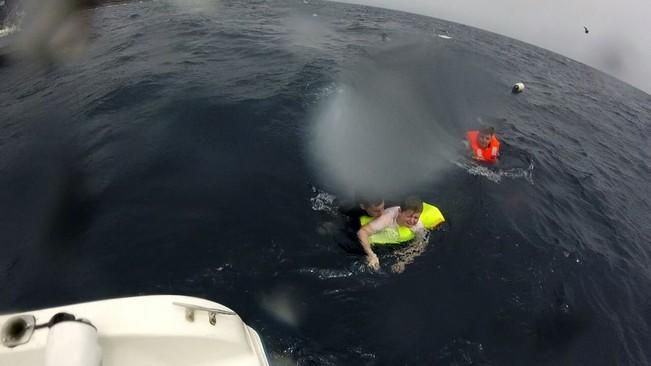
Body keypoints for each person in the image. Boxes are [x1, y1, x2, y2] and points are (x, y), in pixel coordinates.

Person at [357, 196, 426, 270]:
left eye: (416, 217)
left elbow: (420, 245)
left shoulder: (418, 225)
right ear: (399, 211)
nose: (412, 221)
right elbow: (362, 232)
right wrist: (371, 255)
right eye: (409, 216)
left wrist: (404, 261)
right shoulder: (387, 218)